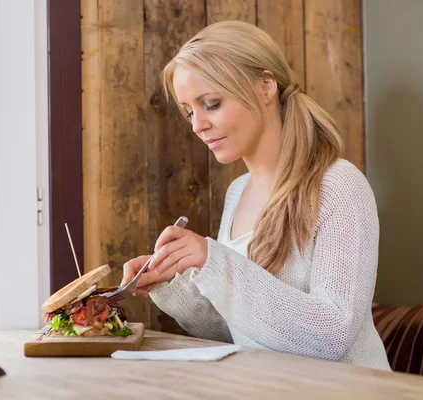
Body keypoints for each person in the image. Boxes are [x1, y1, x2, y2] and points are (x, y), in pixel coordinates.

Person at [121, 20, 391, 371]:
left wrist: (213, 260)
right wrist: (173, 284)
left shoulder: (338, 185)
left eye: (212, 104)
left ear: (265, 86)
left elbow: (332, 336)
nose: (197, 125)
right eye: (190, 111)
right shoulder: (238, 193)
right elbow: (239, 332)